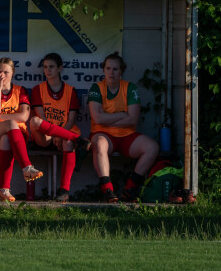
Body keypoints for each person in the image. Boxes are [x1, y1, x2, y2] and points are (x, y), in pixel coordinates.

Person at [88, 52, 159, 203]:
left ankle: (130, 189)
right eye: (108, 68)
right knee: (99, 144)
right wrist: (122, 114)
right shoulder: (97, 88)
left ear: (121, 71)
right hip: (104, 134)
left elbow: (133, 118)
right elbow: (97, 118)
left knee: (152, 147)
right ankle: (107, 189)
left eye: (115, 69)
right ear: (103, 70)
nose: (111, 72)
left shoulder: (129, 88)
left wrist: (108, 118)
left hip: (126, 134)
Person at [30, 53, 90, 203]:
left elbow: (71, 119)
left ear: (60, 68)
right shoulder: (38, 89)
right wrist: (55, 134)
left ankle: (64, 191)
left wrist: (60, 135)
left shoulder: (71, 91)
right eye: (45, 67)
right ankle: (79, 140)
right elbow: (41, 118)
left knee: (68, 142)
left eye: (51, 67)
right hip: (46, 136)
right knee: (35, 121)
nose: (47, 70)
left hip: (64, 134)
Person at [0, 57, 43, 202]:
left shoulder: (20, 90)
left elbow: (24, 116)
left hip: (16, 138)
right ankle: (27, 167)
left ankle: (4, 191)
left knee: (6, 139)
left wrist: (2, 117)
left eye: (6, 72)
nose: (2, 75)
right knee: (10, 124)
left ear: (13, 73)